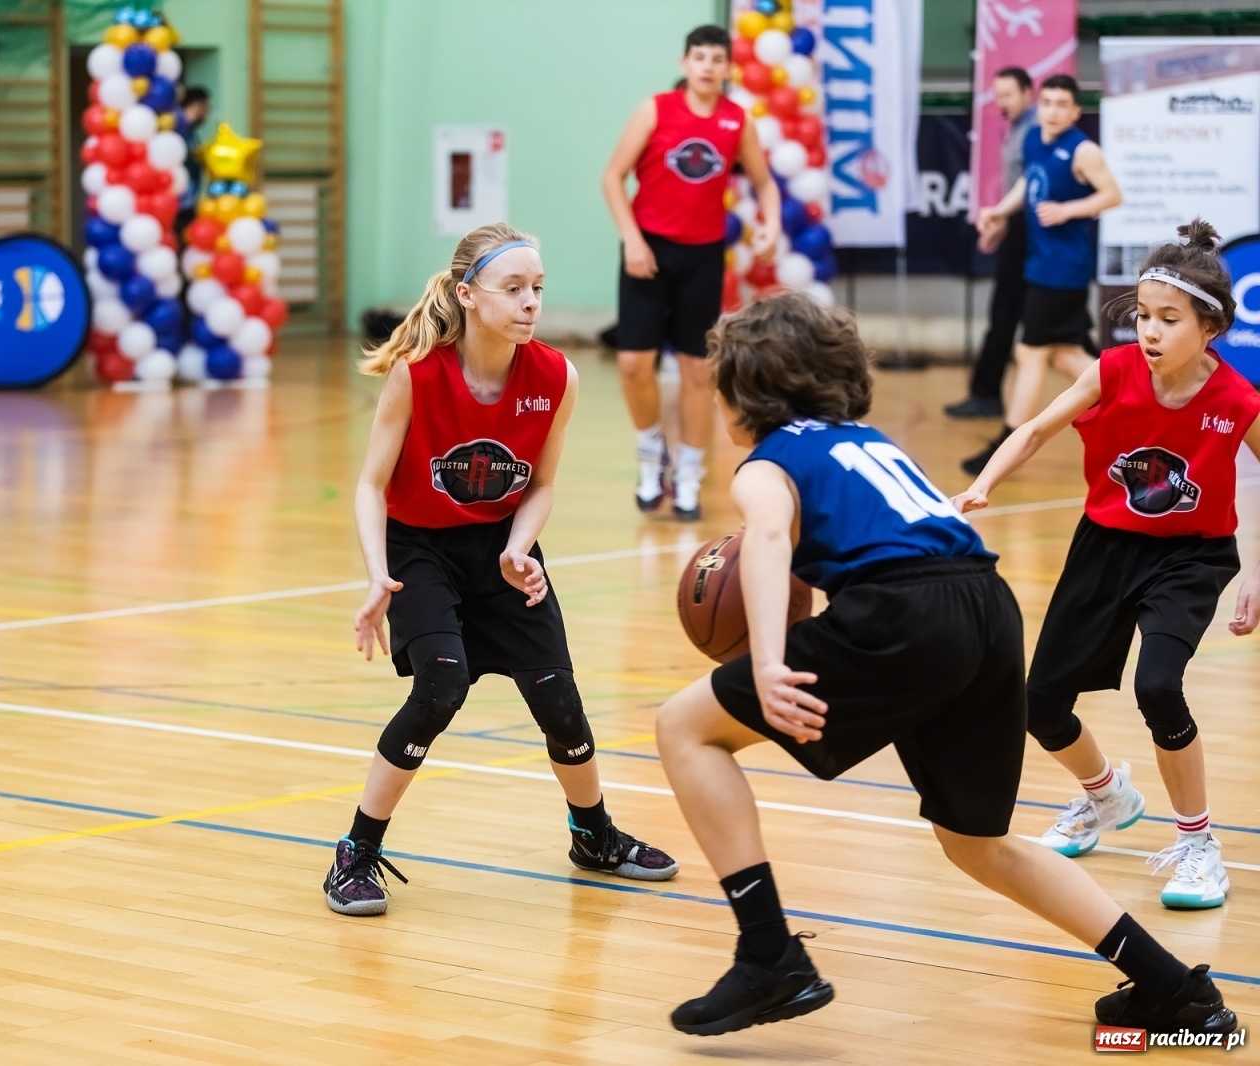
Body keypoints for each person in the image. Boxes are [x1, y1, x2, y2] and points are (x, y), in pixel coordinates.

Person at [654, 292, 1238, 1039]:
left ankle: (768, 953)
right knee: (978, 842)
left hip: (904, 615)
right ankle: (1174, 990)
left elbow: (767, 538)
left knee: (684, 728)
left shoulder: (768, 461)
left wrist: (769, 661)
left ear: (745, 390)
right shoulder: (865, 441)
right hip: (987, 609)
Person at [325, 223, 679, 917]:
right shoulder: (418, 374)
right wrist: (376, 577)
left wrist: (521, 546)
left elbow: (541, 483)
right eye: (513, 289)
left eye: (538, 290)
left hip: (504, 553)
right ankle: (355, 851)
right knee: (440, 688)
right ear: (468, 295)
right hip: (421, 550)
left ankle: (594, 835)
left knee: (560, 702)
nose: (530, 303)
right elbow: (371, 485)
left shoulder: (555, 376)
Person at [955, 219, 1260, 910]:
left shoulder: (1239, 401)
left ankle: (1198, 845)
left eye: (1168, 319)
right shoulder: (1114, 371)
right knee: (1040, 705)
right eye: (1143, 316)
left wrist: (1256, 574)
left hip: (1192, 555)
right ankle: (1106, 797)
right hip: (1104, 546)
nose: (1148, 331)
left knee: (1159, 685)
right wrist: (984, 486)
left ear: (1209, 327)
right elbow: (1034, 429)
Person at [602, 24, 781, 521]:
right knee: (634, 365)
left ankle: (689, 474)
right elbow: (612, 178)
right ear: (685, 64)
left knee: (697, 370)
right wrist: (632, 239)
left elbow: (765, 185)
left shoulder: (736, 122)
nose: (707, 66)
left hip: (703, 256)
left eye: (716, 59)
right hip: (648, 251)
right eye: (698, 57)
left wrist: (771, 225)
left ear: (727, 68)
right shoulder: (655, 110)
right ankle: (651, 450)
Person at [965, 73, 1122, 474]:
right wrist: (1001, 209)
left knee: (1030, 352)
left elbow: (1112, 195)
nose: (1051, 111)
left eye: (1060, 105)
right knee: (1067, 354)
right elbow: (1028, 182)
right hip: (1039, 262)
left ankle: (1009, 442)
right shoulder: (1035, 138)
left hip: (1063, 270)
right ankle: (1132, 399)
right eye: (1047, 102)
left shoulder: (1083, 151)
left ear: (1074, 111)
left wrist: (1068, 210)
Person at [944, 67, 1036, 421]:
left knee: (1014, 314)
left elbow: (1029, 183)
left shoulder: (1034, 131)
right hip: (1016, 225)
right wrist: (1002, 222)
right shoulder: (1016, 126)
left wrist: (1000, 216)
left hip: (1030, 230)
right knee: (1009, 313)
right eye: (997, 95)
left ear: (1028, 93)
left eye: (1008, 95)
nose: (1001, 102)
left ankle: (986, 393)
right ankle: (985, 392)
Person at [173, 85, 211, 234]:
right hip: (179, 202)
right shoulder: (179, 127)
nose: (207, 113)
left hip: (189, 202)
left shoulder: (192, 132)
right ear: (198, 106)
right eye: (206, 107)